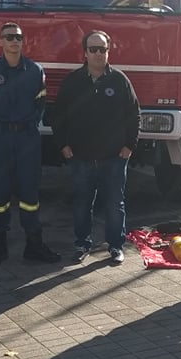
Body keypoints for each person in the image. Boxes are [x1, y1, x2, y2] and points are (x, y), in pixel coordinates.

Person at [52, 30, 140, 265]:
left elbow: (134, 114)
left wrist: (129, 146)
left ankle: (115, 246)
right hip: (80, 157)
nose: (99, 54)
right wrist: (63, 145)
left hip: (113, 158)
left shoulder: (120, 80)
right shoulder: (72, 81)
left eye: (103, 49)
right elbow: (57, 115)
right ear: (85, 53)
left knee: (114, 204)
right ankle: (82, 244)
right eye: (94, 49)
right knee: (82, 203)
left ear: (108, 52)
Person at [0, 22, 60, 266]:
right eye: (9, 37)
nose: (15, 41)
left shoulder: (35, 71)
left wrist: (26, 125)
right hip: (0, 138)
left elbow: (40, 103)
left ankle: (34, 246)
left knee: (30, 193)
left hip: (27, 139)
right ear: (0, 41)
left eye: (18, 37)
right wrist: (0, 127)